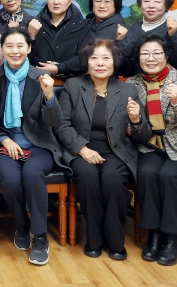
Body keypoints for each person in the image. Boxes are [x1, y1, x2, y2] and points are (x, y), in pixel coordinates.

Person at [54, 38, 151, 260]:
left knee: (112, 179)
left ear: (114, 62)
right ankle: (94, 238)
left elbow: (143, 135)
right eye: (94, 58)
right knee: (88, 178)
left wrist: (137, 120)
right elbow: (62, 124)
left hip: (118, 151)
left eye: (106, 58)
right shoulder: (74, 86)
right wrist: (82, 149)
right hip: (82, 150)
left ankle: (115, 239)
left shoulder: (128, 90)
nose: (100, 63)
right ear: (86, 62)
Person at [0, 28, 67, 266]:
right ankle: (22, 225)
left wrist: (49, 95)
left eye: (20, 46)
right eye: (9, 46)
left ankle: (40, 236)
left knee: (32, 174)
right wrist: (4, 139)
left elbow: (54, 122)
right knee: (10, 179)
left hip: (38, 144)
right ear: (2, 49)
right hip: (5, 143)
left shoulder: (41, 77)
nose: (15, 51)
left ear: (29, 48)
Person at [126, 34, 177, 266]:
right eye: (145, 54)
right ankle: (154, 234)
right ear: (138, 58)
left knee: (170, 175)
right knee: (147, 173)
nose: (151, 59)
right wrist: (134, 122)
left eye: (156, 53)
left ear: (166, 56)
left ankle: (172, 238)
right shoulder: (131, 84)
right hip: (149, 146)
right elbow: (130, 126)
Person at [120, 0, 177, 77]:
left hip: (169, 83)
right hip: (138, 83)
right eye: (146, 1)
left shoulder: (176, 30)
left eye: (157, 1)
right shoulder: (133, 29)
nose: (151, 5)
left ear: (166, 6)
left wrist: (174, 35)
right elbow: (126, 69)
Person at [28, 0, 93, 77]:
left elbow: (86, 58)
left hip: (71, 81)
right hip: (38, 79)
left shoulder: (83, 26)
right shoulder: (33, 24)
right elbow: (24, 58)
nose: (56, 2)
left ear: (70, 0)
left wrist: (59, 68)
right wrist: (31, 36)